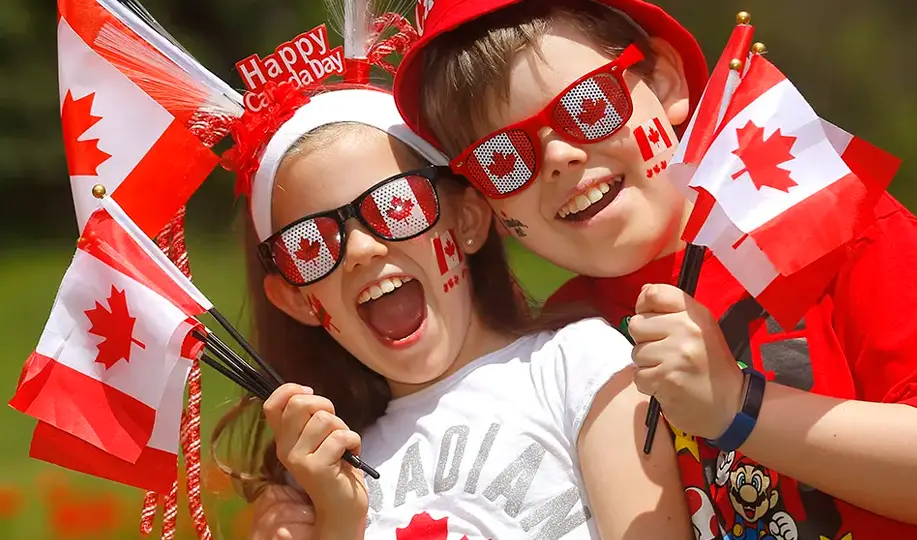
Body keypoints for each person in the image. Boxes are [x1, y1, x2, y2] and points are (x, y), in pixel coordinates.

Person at [388, 0, 917, 538]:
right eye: (503, 157)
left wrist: (738, 406)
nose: (560, 156)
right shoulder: (558, 341)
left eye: (588, 105)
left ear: (663, 82)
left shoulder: (825, 217)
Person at [218, 81, 691, 539]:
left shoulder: (578, 364)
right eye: (311, 245)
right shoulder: (311, 479)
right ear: (297, 299)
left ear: (467, 219)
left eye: (395, 205)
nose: (361, 248)